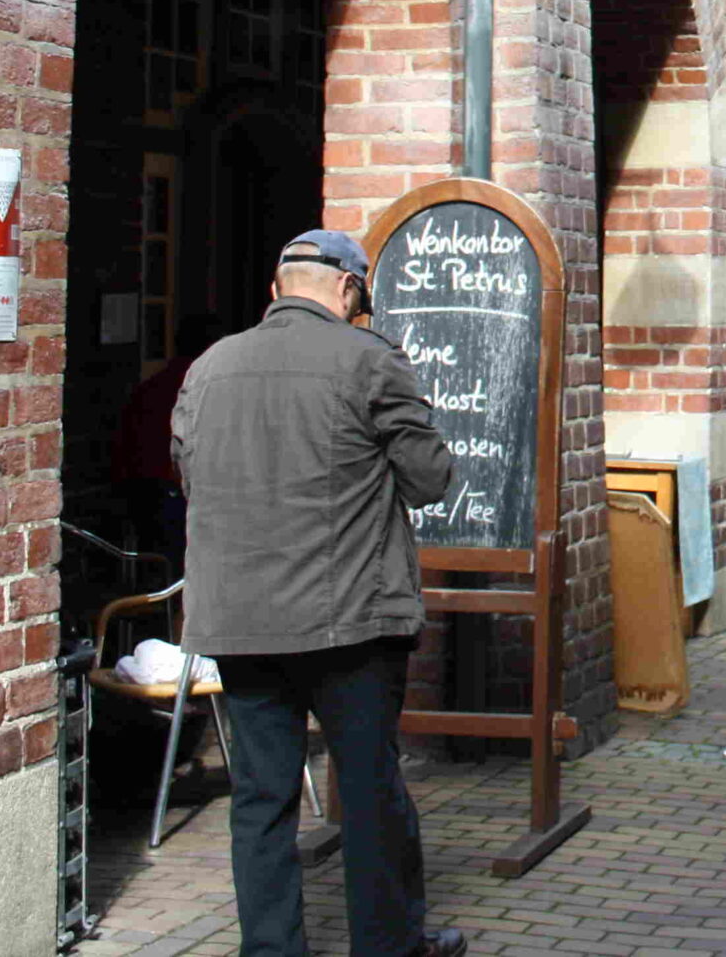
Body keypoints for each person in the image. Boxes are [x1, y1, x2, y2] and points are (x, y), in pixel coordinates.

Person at [172, 229, 466, 957]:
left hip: (241, 622)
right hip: (350, 622)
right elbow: (430, 478)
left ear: (276, 290)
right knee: (368, 791)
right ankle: (387, 946)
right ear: (348, 289)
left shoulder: (209, 366)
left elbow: (190, 475)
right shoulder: (369, 359)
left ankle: (272, 949)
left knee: (260, 798)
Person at [113, 313, 220, 566]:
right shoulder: (204, 389)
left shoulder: (150, 386)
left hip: (140, 494)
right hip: (182, 497)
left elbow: (123, 447)